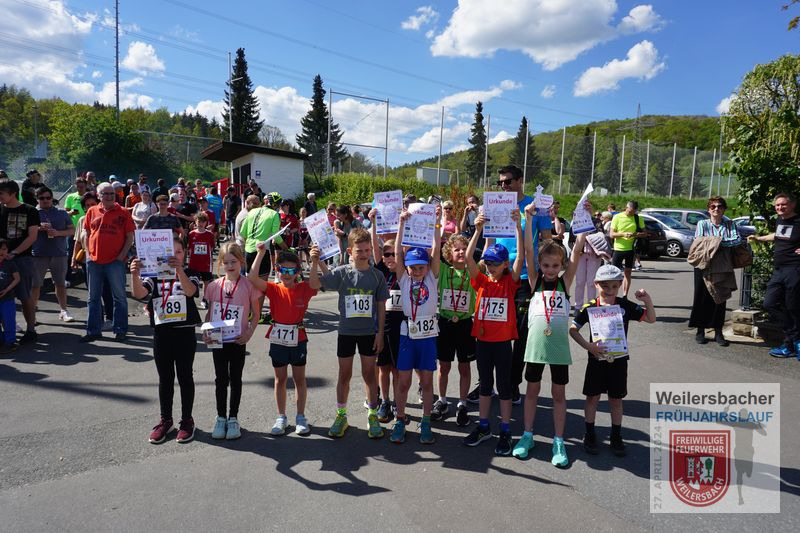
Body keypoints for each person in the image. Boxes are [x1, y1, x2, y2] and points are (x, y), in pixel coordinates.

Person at [512, 203, 588, 467]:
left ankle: (558, 440)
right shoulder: (534, 281)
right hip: (535, 346)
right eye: (546, 265)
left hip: (558, 348)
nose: (550, 269)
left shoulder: (565, 283)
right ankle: (527, 435)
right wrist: (528, 219)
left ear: (561, 265)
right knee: (531, 391)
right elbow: (528, 250)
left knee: (558, 394)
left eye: (555, 265)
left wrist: (583, 218)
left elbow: (577, 251)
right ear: (540, 265)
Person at [309, 228, 388, 440]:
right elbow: (314, 284)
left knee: (369, 374)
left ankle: (372, 414)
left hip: (368, 333)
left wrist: (380, 333)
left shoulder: (377, 276)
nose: (364, 254)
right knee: (344, 375)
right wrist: (314, 262)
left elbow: (381, 307)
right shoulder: (342, 272)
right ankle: (341, 415)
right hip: (346, 332)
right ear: (350, 251)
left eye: (367, 250)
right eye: (359, 250)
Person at [569, 265, 656, 456]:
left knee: (616, 399)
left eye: (614, 286)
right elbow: (573, 330)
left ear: (620, 285)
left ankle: (616, 436)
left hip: (619, 361)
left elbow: (651, 319)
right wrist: (589, 346)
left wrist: (647, 300)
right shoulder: (590, 307)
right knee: (592, 397)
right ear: (596, 284)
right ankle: (589, 434)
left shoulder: (625, 305)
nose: (610, 290)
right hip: (596, 360)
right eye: (605, 286)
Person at [462, 208, 524, 456]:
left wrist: (518, 228)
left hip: (502, 343)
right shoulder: (482, 281)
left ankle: (506, 429)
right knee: (485, 385)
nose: (490, 267)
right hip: (483, 341)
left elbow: (521, 257)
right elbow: (468, 259)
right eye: (488, 262)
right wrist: (477, 230)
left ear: (505, 264)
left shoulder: (510, 282)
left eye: (495, 263)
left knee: (505, 387)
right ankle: (484, 426)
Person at [130, 237, 201, 444]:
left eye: (179, 252)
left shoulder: (191, 272)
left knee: (185, 376)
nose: (175, 256)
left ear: (184, 254)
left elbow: (191, 291)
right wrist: (134, 274)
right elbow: (139, 293)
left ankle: (187, 420)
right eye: (172, 252)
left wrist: (178, 271)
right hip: (162, 333)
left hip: (185, 333)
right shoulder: (154, 275)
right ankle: (166, 420)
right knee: (165, 378)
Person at [493, 165, 552, 405]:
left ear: (520, 180)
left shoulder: (536, 206)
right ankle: (489, 382)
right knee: (495, 330)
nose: (504, 186)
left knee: (520, 333)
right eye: (500, 183)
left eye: (508, 181)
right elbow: (489, 239)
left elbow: (547, 241)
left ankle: (512, 382)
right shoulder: (496, 204)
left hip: (526, 277)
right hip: (499, 274)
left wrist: (545, 271)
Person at [248, 244, 318, 436]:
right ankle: (281, 417)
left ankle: (301, 417)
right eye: (283, 270)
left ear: (298, 272)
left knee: (299, 379)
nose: (287, 274)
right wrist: (261, 253)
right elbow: (252, 277)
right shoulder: (273, 288)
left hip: (298, 338)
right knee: (280, 379)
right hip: (278, 337)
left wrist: (314, 262)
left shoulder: (304, 288)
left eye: (291, 270)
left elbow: (316, 284)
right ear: (277, 270)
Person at [388, 207, 442, 444]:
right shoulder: (404, 278)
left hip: (428, 336)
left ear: (427, 266)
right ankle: (400, 419)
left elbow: (436, 250)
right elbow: (398, 253)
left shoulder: (432, 277)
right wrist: (401, 224)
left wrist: (437, 223)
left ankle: (426, 421)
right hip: (407, 335)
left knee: (427, 382)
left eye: (421, 266)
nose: (417, 271)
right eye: (413, 267)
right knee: (403, 381)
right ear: (407, 267)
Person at [202, 243, 260, 440]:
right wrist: (206, 331)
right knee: (220, 379)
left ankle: (233, 418)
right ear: (220, 263)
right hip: (218, 339)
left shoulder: (248, 285)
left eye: (233, 262)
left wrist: (249, 333)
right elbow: (210, 313)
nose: (229, 266)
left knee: (235, 378)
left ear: (241, 262)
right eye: (225, 262)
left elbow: (256, 314)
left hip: (237, 340)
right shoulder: (213, 286)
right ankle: (221, 417)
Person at [80, 182, 135, 343]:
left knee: (119, 297)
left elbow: (130, 237)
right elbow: (87, 232)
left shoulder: (123, 212)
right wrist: (88, 253)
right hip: (94, 261)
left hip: (115, 261)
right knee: (93, 298)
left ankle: (120, 329)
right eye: (106, 193)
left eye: (112, 193)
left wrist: (121, 256)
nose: (110, 196)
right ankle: (93, 331)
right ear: (99, 196)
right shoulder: (92, 211)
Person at [749, 192, 800, 358]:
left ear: (792, 205)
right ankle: (795, 338)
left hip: (795, 269)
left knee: (793, 307)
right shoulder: (780, 220)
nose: (780, 207)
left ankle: (790, 345)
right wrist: (759, 238)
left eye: (783, 204)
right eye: (777, 205)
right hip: (779, 270)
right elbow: (778, 235)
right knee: (769, 303)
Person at [434, 233, 477, 427]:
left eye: (464, 249)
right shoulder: (444, 270)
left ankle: (462, 403)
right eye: (456, 249)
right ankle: (442, 400)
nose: (461, 252)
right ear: (448, 254)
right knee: (443, 366)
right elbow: (435, 252)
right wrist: (436, 225)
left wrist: (479, 231)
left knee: (464, 366)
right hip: (445, 322)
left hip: (465, 323)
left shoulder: (473, 271)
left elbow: (483, 252)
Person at [688, 196, 741, 346]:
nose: (716, 209)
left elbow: (737, 240)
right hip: (703, 264)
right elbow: (699, 241)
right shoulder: (702, 223)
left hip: (723, 265)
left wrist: (713, 242)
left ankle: (718, 332)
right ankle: (700, 331)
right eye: (713, 206)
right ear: (709, 209)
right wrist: (721, 241)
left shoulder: (730, 224)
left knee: (720, 297)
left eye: (719, 206)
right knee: (701, 296)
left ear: (724, 209)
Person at [368, 209, 402, 424]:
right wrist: (373, 222)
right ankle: (386, 401)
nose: (390, 258)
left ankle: (398, 402)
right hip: (382, 326)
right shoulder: (381, 272)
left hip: (401, 328)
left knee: (398, 369)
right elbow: (375, 247)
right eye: (386, 255)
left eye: (394, 254)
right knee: (383, 368)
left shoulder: (404, 272)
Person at [0, 179, 40, 343]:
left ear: (13, 193)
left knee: (25, 296)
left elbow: (32, 236)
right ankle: (7, 333)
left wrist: (14, 252)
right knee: (3, 297)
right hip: (2, 261)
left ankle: (31, 330)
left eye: (1, 193)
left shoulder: (29, 210)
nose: (0, 196)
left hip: (23, 259)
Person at [31, 186, 74, 322]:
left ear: (52, 198)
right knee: (35, 285)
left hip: (59, 253)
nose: (45, 200)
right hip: (38, 254)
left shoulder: (61, 213)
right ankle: (32, 313)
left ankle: (64, 310)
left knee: (60, 283)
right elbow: (25, 231)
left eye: (48, 197)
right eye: (42, 198)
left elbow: (72, 230)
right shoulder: (32, 213)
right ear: (37, 199)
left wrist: (58, 233)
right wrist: (39, 228)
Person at [240, 199, 285, 279]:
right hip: (263, 250)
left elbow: (242, 232)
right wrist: (286, 248)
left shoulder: (252, 211)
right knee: (262, 283)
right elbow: (276, 236)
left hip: (249, 251)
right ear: (276, 205)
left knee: (249, 282)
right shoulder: (275, 214)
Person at [609, 201, 646, 298]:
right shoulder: (617, 217)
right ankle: (613, 294)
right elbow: (611, 234)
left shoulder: (638, 218)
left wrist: (636, 234)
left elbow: (645, 233)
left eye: (633, 212)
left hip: (631, 249)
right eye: (630, 211)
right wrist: (623, 234)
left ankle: (625, 295)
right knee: (614, 273)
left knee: (628, 273)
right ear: (626, 208)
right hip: (618, 249)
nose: (631, 214)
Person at [571, 206, 606, 309]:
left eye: (587, 208)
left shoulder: (596, 221)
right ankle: (578, 306)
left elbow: (601, 234)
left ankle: (591, 305)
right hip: (580, 255)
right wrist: (576, 250)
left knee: (591, 282)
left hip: (594, 254)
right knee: (579, 281)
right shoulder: (576, 221)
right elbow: (571, 240)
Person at [0, 239, 20, 353]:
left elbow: (17, 278)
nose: (1, 252)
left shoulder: (9, 264)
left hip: (7, 298)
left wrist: (7, 289)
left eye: (4, 249)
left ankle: (10, 342)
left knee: (8, 320)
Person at [187, 213, 216, 286]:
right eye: (199, 221)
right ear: (195, 222)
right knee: (193, 282)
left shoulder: (210, 234)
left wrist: (211, 262)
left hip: (205, 263)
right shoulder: (191, 234)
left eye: (203, 222)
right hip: (194, 263)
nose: (201, 224)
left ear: (206, 223)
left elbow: (211, 248)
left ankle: (206, 294)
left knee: (207, 282)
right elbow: (189, 248)